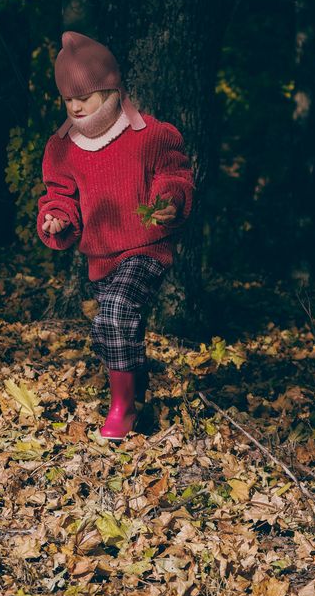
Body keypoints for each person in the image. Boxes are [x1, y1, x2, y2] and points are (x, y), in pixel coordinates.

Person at [36, 31, 195, 440]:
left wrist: (169, 200)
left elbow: (174, 175)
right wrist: (56, 218)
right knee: (116, 327)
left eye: (83, 97)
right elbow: (60, 197)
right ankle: (138, 392)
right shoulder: (62, 148)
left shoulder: (151, 136)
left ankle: (122, 407)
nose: (75, 106)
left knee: (117, 310)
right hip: (101, 255)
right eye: (68, 99)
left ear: (109, 89)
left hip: (146, 246)